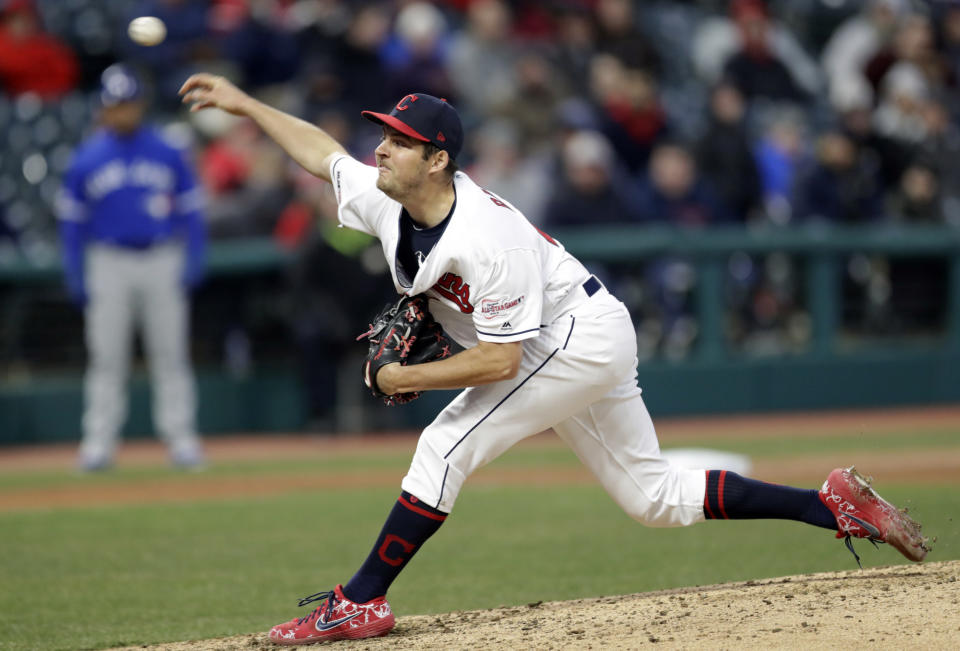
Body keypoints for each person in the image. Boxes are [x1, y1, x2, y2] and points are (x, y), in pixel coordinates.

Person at [179, 74, 930, 645]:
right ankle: (828, 501)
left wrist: (403, 376)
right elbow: (322, 154)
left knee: (443, 443)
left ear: (436, 160)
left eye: (399, 140)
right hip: (570, 335)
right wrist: (246, 105)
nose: (381, 147)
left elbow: (500, 360)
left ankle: (361, 598)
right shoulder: (388, 199)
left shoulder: (485, 237)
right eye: (385, 134)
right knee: (653, 497)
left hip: (574, 337)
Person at [58, 64, 207, 471]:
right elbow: (72, 223)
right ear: (103, 108)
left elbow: (192, 212)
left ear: (140, 105)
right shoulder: (86, 158)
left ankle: (182, 440)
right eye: (115, 105)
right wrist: (75, 270)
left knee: (171, 354)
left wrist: (193, 257)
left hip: (161, 257)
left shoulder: (166, 149)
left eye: (128, 104)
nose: (122, 112)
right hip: (109, 261)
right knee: (107, 358)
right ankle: (98, 444)